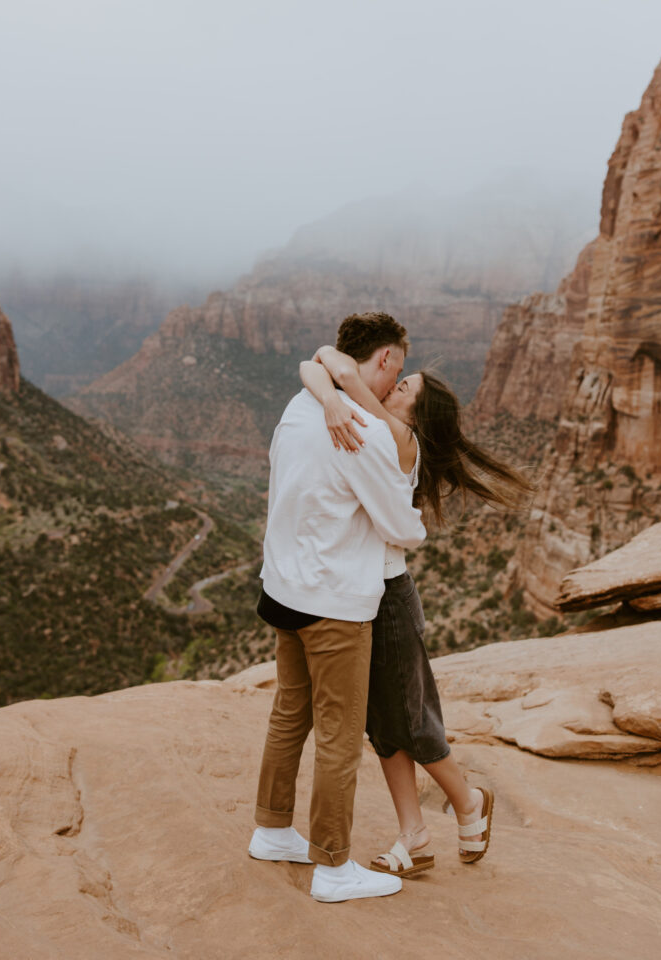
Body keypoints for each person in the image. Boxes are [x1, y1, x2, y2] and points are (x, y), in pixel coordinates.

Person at [300, 341, 532, 877]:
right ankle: (416, 836)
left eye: (406, 386)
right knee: (383, 727)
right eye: (400, 378)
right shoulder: (384, 429)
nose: (395, 386)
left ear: (415, 413)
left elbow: (331, 363)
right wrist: (329, 379)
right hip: (364, 599)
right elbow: (321, 364)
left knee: (415, 721)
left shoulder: (398, 434)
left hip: (392, 604)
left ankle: (469, 802)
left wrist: (340, 377)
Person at [248, 312, 427, 903]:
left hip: (283, 589)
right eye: (395, 370)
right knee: (340, 735)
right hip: (333, 606)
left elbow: (315, 366)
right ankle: (332, 866)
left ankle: (272, 830)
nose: (392, 384)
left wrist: (327, 382)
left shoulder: (301, 405)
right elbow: (403, 528)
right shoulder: (362, 429)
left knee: (288, 716)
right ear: (381, 361)